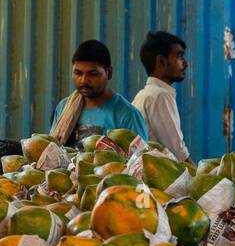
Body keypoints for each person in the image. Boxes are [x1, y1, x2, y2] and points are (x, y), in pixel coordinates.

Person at [49, 39, 148, 148]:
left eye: (92, 74)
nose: (83, 80)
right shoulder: (64, 107)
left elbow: (139, 161)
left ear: (109, 73)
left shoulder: (128, 115)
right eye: (78, 73)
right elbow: (52, 150)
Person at [132, 31, 190, 162]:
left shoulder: (143, 95)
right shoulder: (159, 96)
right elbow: (177, 152)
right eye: (179, 57)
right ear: (161, 61)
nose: (185, 64)